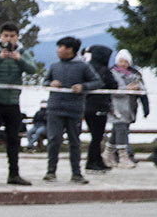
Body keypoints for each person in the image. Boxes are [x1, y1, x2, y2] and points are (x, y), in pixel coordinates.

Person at [0, 23, 39, 185]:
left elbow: (32, 69)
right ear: (0, 36)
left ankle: (14, 174)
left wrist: (19, 59)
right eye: (5, 36)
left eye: (12, 36)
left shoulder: (23, 52)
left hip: (13, 102)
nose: (8, 39)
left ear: (17, 37)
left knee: (13, 139)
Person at [42, 35, 95, 182]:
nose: (59, 50)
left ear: (70, 50)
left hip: (74, 109)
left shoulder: (83, 66)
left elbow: (97, 81)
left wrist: (83, 87)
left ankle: (76, 173)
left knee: (74, 142)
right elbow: (44, 81)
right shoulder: (54, 66)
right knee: (54, 140)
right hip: (54, 109)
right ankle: (51, 171)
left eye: (61, 47)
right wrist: (50, 83)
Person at [107, 49, 148, 168]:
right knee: (120, 128)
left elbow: (142, 89)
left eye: (125, 61)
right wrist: (127, 88)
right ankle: (123, 156)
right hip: (117, 107)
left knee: (118, 130)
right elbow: (113, 90)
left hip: (130, 106)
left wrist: (138, 88)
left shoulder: (135, 74)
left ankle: (107, 154)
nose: (123, 64)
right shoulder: (112, 73)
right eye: (121, 61)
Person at [81, 45, 119, 173]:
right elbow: (113, 84)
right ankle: (91, 162)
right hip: (99, 106)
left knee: (96, 135)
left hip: (86, 106)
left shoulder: (86, 67)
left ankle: (98, 160)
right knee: (97, 136)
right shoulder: (103, 70)